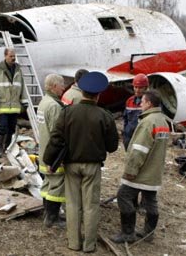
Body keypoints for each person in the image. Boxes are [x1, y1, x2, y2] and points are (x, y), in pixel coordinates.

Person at [44, 71, 119, 252]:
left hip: (71, 165)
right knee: (91, 205)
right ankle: (89, 245)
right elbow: (112, 146)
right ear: (98, 94)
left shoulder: (67, 112)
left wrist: (48, 160)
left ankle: (73, 243)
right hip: (93, 167)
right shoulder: (105, 116)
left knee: (73, 204)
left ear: (81, 91)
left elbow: (56, 138)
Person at [111, 90, 170, 244]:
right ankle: (148, 233)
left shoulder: (148, 122)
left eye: (142, 102)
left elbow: (139, 150)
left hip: (141, 172)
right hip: (154, 171)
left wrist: (130, 171)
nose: (141, 104)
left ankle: (127, 233)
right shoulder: (163, 121)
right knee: (150, 200)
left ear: (149, 103)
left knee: (123, 196)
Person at [37, 74, 66, 228]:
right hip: (53, 155)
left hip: (44, 152)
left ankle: (47, 213)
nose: (63, 87)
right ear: (54, 86)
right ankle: (52, 218)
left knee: (47, 184)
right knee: (56, 186)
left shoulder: (44, 102)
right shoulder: (54, 106)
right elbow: (58, 134)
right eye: (61, 85)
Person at [0, 48, 29, 157]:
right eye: (11, 56)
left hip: (15, 106)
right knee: (2, 126)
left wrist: (24, 101)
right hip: (2, 104)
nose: (13, 58)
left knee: (11, 127)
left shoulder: (18, 70)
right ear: (5, 56)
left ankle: (7, 147)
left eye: (14, 56)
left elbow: (22, 86)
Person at [122, 73, 149, 150]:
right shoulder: (129, 101)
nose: (137, 90)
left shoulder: (150, 103)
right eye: (135, 87)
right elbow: (125, 119)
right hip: (129, 137)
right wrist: (125, 133)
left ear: (146, 88)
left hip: (142, 138)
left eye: (140, 88)